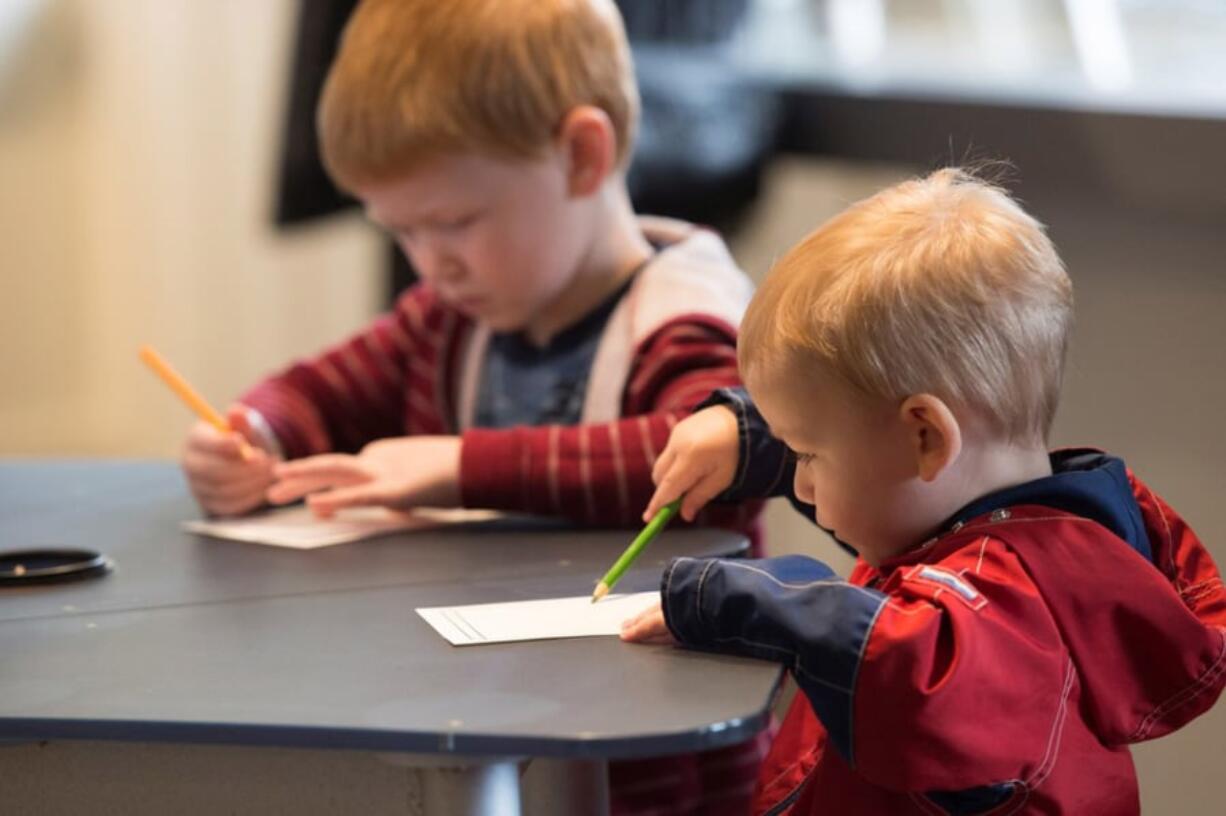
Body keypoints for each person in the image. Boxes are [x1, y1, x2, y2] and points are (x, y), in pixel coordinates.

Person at [179, 1, 765, 812]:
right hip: (495, 721)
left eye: (453, 222)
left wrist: (458, 467)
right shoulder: (454, 318)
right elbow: (320, 389)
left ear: (581, 156)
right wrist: (253, 433)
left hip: (653, 764)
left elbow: (711, 457)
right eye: (403, 232)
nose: (430, 263)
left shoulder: (685, 314)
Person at [622, 168, 1226, 814]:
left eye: (809, 454)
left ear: (926, 439)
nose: (801, 479)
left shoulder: (1010, 606)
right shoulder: (1028, 535)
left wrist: (742, 598)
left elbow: (906, 671)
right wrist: (755, 443)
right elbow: (890, 516)